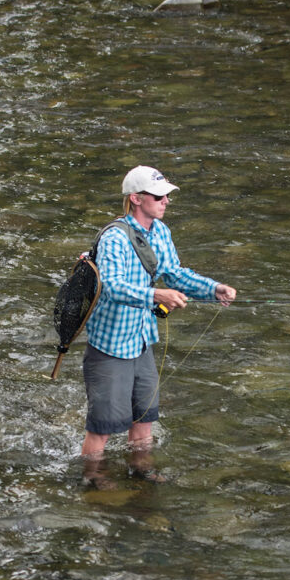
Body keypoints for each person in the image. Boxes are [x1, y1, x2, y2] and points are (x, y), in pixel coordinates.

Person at [81, 165, 236, 479]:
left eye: (167, 196)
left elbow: (176, 274)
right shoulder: (115, 238)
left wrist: (213, 289)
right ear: (136, 199)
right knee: (103, 427)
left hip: (141, 343)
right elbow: (112, 286)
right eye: (159, 196)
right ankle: (94, 478)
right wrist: (156, 296)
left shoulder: (161, 232)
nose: (166, 201)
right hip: (110, 346)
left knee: (145, 420)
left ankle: (142, 471)